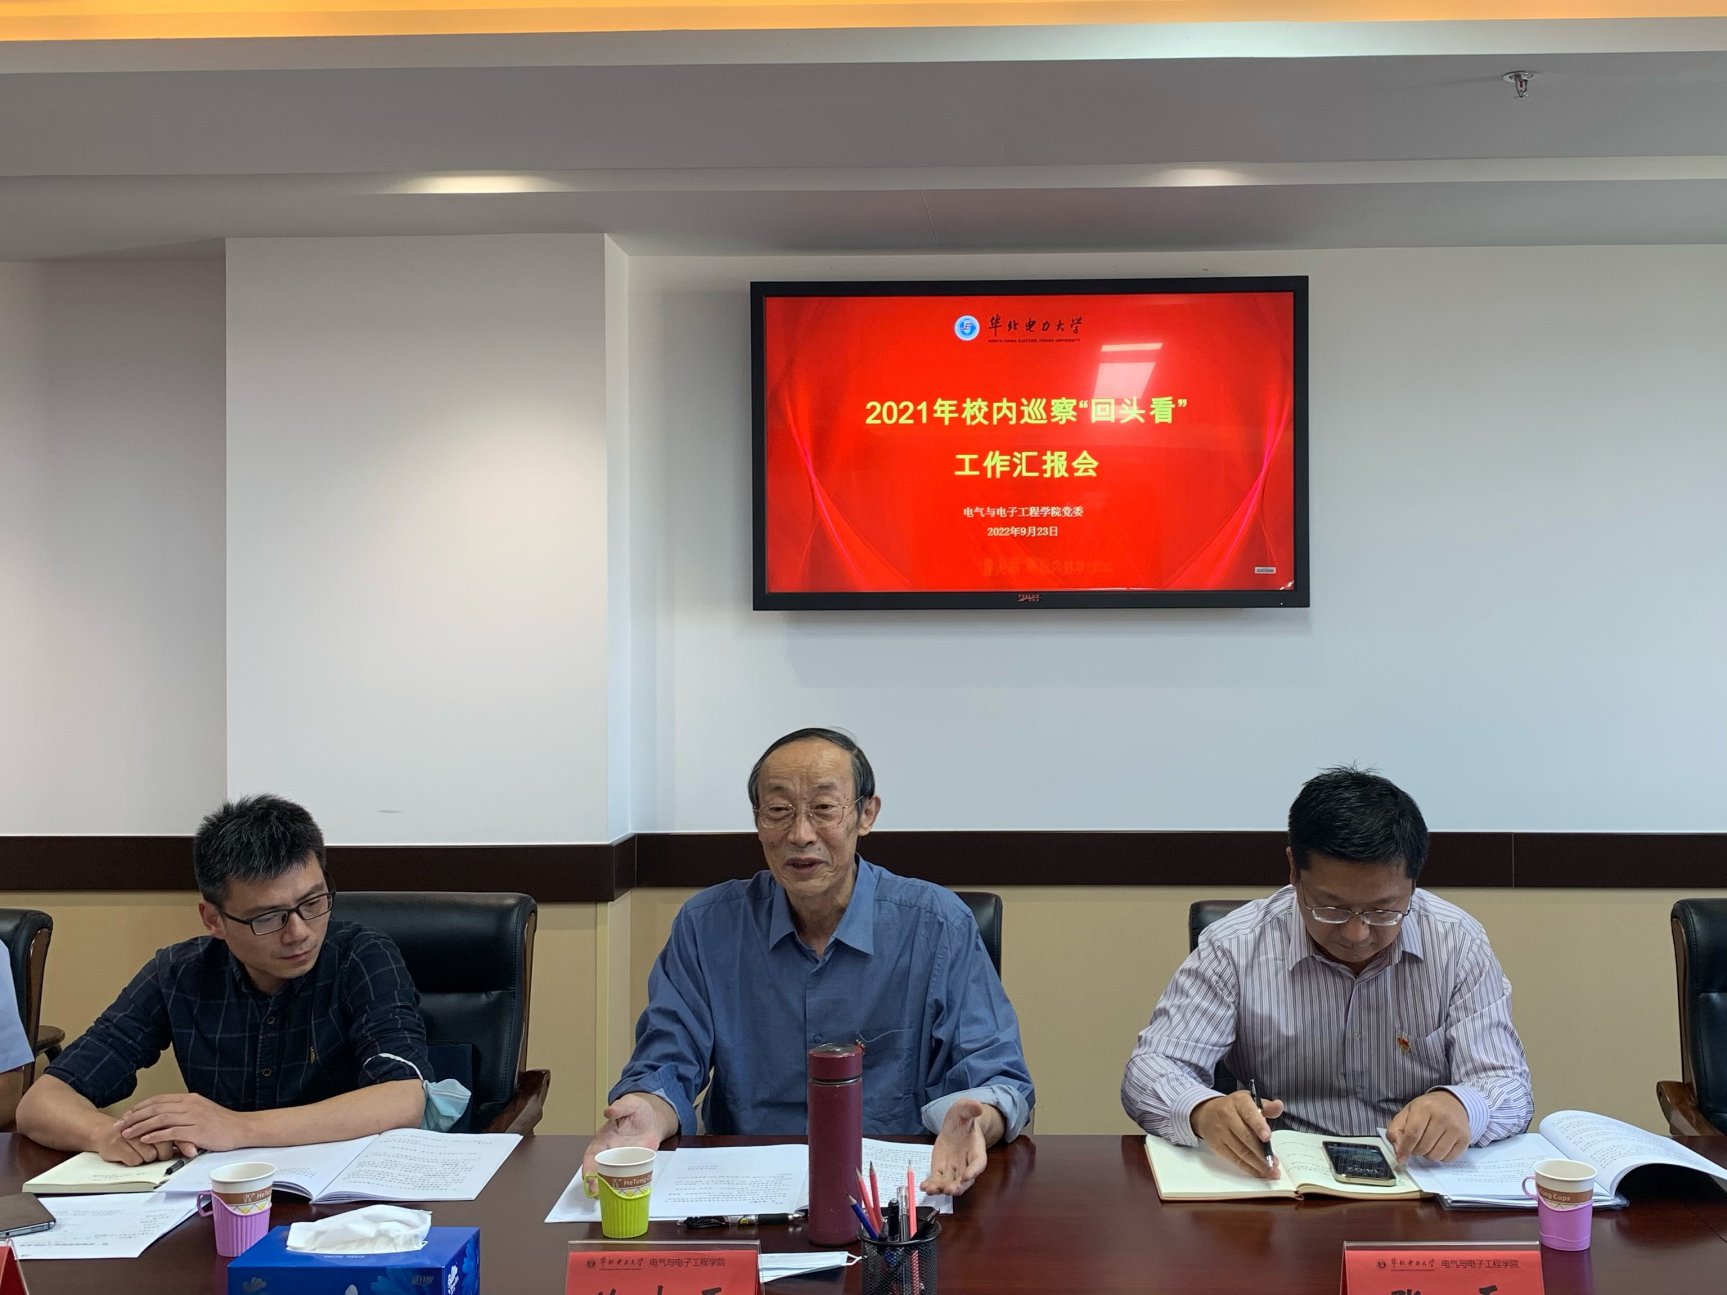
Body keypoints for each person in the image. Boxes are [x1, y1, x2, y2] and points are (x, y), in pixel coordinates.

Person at [583, 727, 1034, 1196]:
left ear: (866, 814)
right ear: (758, 820)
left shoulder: (938, 926)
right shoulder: (707, 926)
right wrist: (646, 1109)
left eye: (823, 808)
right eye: (779, 811)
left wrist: (976, 1120)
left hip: (897, 1202)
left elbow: (996, 1075)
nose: (800, 834)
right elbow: (666, 1060)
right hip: (743, 1195)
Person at [1122, 766, 1532, 1179]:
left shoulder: (1456, 943)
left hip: (1416, 1175)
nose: (1356, 934)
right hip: (1285, 1178)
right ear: (1293, 871)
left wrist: (1463, 1106)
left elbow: (1508, 1086)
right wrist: (1202, 1110)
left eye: (1383, 910)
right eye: (1331, 908)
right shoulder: (1235, 945)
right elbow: (1151, 1069)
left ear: (1413, 884)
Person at [17, 794, 451, 1164]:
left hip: (347, 1192)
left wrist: (238, 1127)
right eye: (269, 917)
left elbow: (403, 1097)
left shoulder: (361, 956)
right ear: (214, 919)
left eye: (313, 902)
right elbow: (41, 1102)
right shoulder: (178, 973)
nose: (299, 932)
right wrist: (105, 1135)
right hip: (227, 1197)